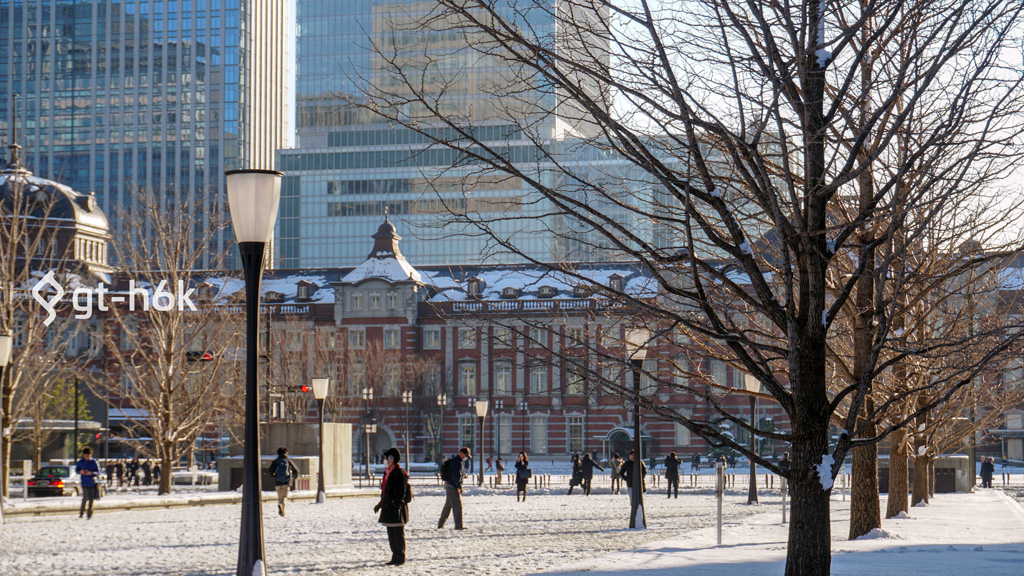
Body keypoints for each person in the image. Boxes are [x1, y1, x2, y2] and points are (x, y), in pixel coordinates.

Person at [374, 447, 412, 566]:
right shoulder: (387, 472)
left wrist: (397, 505)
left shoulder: (398, 473)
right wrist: (380, 504)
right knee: (391, 532)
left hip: (396, 508)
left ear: (392, 459)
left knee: (398, 533)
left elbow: (401, 491)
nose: (385, 460)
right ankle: (394, 555)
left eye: (386, 458)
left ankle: (400, 556)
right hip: (388, 507)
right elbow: (385, 491)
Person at [438, 446, 471, 529]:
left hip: (449, 484)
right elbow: (456, 476)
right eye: (466, 455)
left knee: (448, 506)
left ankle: (440, 525)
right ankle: (458, 526)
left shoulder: (454, 461)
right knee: (457, 506)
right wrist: (459, 486)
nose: (466, 457)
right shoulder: (458, 462)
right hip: (452, 486)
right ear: (462, 454)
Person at [269, 447, 299, 516]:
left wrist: (273, 476)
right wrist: (295, 476)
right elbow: (296, 470)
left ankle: (280, 505)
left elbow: (270, 470)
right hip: (286, 481)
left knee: (279, 497)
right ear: (286, 453)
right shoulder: (288, 461)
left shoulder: (275, 461)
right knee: (284, 497)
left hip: (277, 482)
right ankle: (282, 505)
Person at [76, 448, 100, 519]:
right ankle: (81, 512)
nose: (87, 457)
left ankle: (89, 513)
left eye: (89, 456)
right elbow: (77, 470)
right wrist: (81, 471)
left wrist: (92, 473)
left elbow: (98, 472)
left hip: (92, 482)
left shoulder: (94, 462)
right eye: (86, 456)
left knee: (91, 499)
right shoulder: (80, 462)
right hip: (84, 482)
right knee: (85, 497)